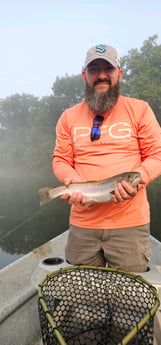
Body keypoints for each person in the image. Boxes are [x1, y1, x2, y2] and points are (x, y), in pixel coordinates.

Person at [52, 43, 161, 272]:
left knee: (129, 300)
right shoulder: (68, 117)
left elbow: (156, 154)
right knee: (83, 297)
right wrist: (71, 180)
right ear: (85, 76)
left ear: (119, 74)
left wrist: (139, 178)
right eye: (94, 70)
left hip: (130, 224)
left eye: (107, 69)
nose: (101, 75)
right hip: (83, 223)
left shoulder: (140, 109)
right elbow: (60, 159)